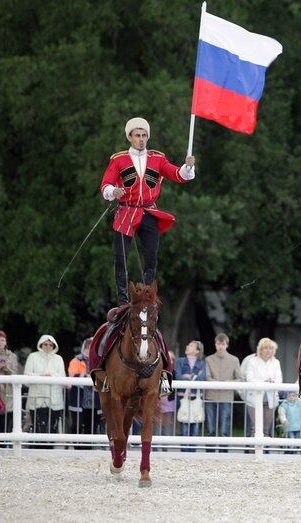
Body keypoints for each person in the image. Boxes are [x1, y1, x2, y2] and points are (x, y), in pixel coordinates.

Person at [100, 117, 196, 309]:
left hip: (149, 212)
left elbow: (177, 174)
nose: (141, 140)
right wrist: (113, 191)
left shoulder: (157, 158)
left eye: (144, 136)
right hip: (126, 212)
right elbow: (106, 185)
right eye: (137, 136)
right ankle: (123, 301)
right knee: (121, 257)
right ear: (130, 137)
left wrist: (188, 167)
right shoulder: (118, 160)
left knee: (151, 257)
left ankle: (145, 297)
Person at [24, 334, 66, 446]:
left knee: (52, 427)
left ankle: (49, 452)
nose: (48, 346)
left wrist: (51, 376)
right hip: (36, 399)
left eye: (50, 345)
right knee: (36, 427)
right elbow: (26, 377)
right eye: (45, 344)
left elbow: (62, 377)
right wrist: (41, 376)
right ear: (41, 344)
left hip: (54, 400)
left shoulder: (58, 358)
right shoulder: (33, 357)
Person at [203, 333, 241, 451]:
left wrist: (229, 382)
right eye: (218, 344)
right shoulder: (208, 359)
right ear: (215, 344)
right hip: (211, 397)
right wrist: (218, 382)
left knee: (225, 427)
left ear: (226, 345)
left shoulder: (234, 360)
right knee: (210, 428)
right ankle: (210, 452)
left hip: (226, 397)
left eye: (223, 344)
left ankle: (224, 452)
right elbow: (207, 376)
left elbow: (239, 378)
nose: (220, 346)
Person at [240, 338, 283, 438]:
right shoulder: (252, 361)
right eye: (266, 348)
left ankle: (265, 453)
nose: (268, 350)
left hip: (270, 398)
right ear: (260, 350)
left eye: (270, 348)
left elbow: (279, 379)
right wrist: (264, 382)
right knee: (255, 428)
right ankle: (252, 453)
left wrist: (272, 382)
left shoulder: (276, 362)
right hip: (254, 398)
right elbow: (249, 378)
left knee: (266, 430)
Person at [174, 340, 206, 451]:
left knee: (195, 425)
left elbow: (202, 378)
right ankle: (184, 451)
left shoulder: (202, 363)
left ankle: (192, 451)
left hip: (196, 397)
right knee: (184, 424)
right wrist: (193, 378)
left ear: (197, 351)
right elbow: (178, 376)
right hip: (183, 397)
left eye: (191, 345)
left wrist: (189, 377)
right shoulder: (180, 361)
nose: (187, 346)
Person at [67, 338, 98, 439]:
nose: (89, 351)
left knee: (92, 427)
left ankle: (88, 448)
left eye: (92, 348)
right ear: (83, 348)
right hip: (79, 399)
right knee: (77, 426)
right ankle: (77, 447)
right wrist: (85, 377)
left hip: (95, 401)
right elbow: (71, 375)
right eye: (87, 348)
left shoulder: (100, 361)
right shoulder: (76, 360)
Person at [153, 350, 178, 448]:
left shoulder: (174, 373)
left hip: (169, 406)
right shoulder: (154, 373)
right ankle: (154, 450)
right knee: (156, 431)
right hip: (156, 406)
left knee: (167, 431)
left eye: (171, 359)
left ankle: (165, 450)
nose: (169, 361)